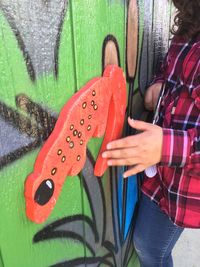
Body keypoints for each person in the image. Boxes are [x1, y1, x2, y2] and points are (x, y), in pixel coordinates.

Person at [102, 0, 200, 266]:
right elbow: (169, 68)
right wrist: (160, 83)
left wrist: (166, 147)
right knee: (147, 243)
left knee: (150, 247)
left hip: (184, 181)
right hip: (158, 172)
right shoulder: (191, 25)